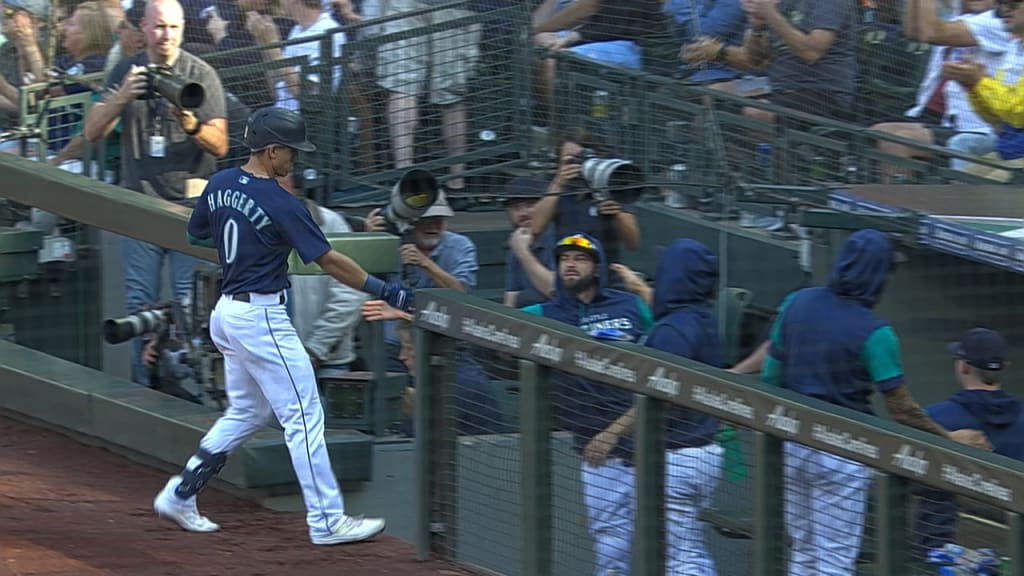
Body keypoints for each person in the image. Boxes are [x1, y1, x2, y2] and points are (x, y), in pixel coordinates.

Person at [152, 106, 412, 545]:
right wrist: (384, 290)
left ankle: (181, 494)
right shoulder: (280, 202)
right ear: (271, 151)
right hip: (260, 317)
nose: (295, 160)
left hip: (226, 314)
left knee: (248, 411)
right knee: (305, 418)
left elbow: (196, 235)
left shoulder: (218, 182)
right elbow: (329, 260)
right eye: (291, 151)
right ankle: (327, 520)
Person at [762, 228, 990, 575]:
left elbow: (770, 377)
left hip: (792, 442)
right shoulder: (876, 332)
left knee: (804, 550)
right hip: (841, 452)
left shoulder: (798, 302)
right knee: (834, 561)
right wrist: (948, 439)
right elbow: (902, 410)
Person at [83, 0, 228, 389]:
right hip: (140, 205)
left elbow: (221, 145)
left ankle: (190, 396)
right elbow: (92, 131)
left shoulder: (201, 73)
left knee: (189, 308)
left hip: (189, 211)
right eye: (160, 26)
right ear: (144, 27)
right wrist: (123, 95)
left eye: (174, 27)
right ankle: (143, 395)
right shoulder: (124, 70)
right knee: (138, 309)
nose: (167, 35)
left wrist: (192, 124)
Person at [587, 239, 725, 575]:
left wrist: (611, 433)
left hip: (677, 455)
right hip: (702, 450)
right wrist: (638, 288)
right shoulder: (701, 318)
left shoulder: (673, 331)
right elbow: (673, 323)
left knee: (681, 557)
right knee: (682, 548)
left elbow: (660, 396)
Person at [521, 232, 653, 576]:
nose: (570, 264)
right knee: (610, 537)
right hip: (600, 447)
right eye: (564, 258)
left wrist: (640, 289)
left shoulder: (629, 305)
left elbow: (666, 341)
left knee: (669, 537)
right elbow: (490, 328)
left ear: (597, 267)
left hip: (655, 439)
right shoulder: (543, 313)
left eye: (579, 258)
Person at [915, 328, 1024, 556]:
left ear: (963, 366)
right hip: (1013, 554)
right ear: (1004, 368)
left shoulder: (934, 418)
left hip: (943, 553)